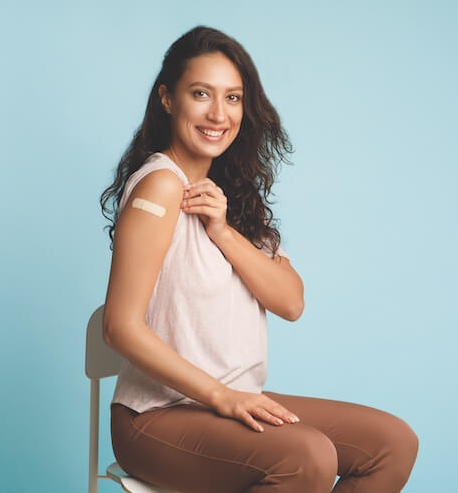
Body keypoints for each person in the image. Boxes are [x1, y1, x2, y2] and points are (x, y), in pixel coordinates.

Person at [98, 25, 419, 492]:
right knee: (306, 455)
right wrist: (222, 397)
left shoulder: (234, 199)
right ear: (168, 99)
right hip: (155, 418)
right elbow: (119, 326)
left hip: (233, 401)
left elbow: (290, 302)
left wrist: (223, 232)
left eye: (232, 98)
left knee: (391, 444)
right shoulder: (160, 185)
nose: (217, 114)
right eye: (201, 94)